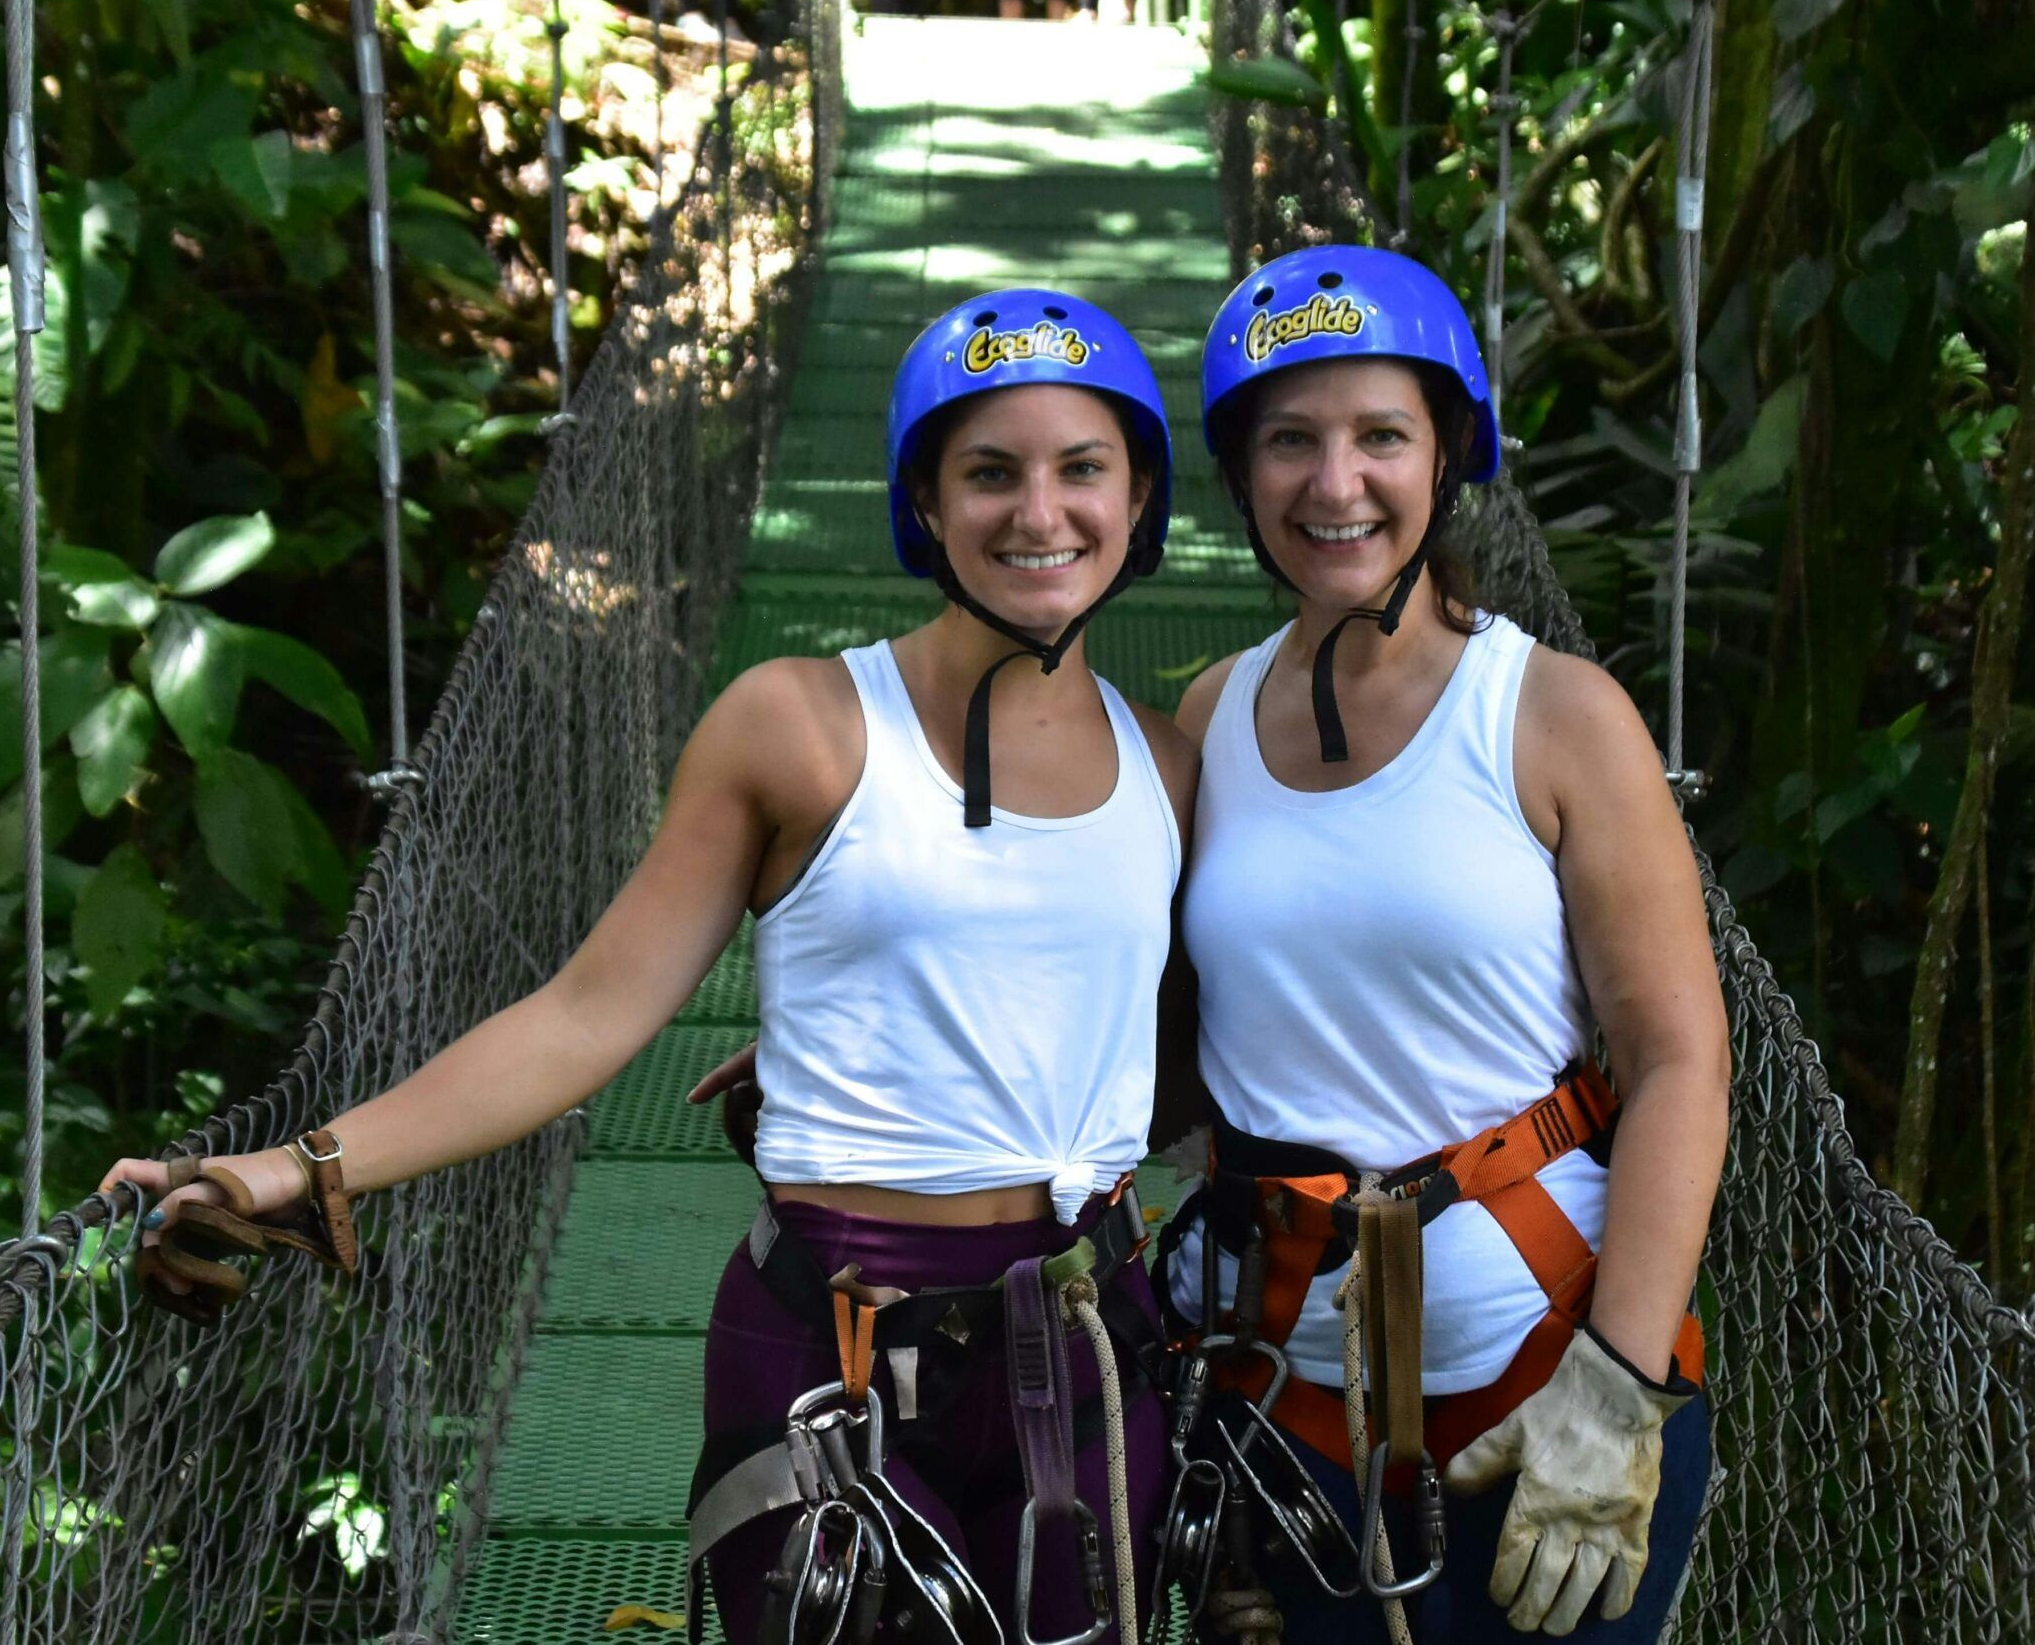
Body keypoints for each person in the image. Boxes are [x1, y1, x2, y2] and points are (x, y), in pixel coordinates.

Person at [103, 287, 1198, 1645]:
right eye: (990, 472)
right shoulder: (798, 726)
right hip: (835, 1356)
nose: (1041, 515)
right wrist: (298, 1168)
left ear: (1140, 496)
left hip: (1087, 1344)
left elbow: (1194, 1022)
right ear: (924, 501)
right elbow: (586, 1011)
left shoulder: (1170, 764)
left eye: (1081, 469)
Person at [1160, 244, 1727, 1643]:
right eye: (1289, 440)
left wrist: (1617, 1386)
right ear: (1242, 475)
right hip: (1274, 1409)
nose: (1333, 482)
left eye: (1380, 438)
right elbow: (1149, 1050)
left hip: (1547, 1384)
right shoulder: (1206, 719)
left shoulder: (1555, 717)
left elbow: (1679, 1061)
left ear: (1447, 456)